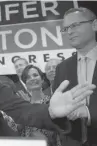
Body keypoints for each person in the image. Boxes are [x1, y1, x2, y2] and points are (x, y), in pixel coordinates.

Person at [53, 7, 97, 146]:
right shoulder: (62, 68)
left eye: (75, 25)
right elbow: (58, 109)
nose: (69, 32)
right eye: (66, 29)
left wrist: (89, 113)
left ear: (95, 25)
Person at [20, 65, 61, 146]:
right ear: (26, 83)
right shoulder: (24, 107)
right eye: (28, 77)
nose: (32, 78)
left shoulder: (52, 103)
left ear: (42, 79)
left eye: (35, 75)